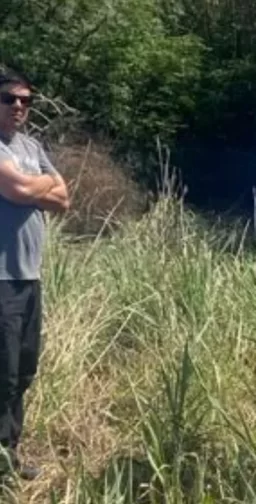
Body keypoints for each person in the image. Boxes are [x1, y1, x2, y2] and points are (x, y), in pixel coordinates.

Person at [0, 69, 69, 480]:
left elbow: (64, 199)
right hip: (1, 281)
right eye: (9, 99)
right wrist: (37, 186)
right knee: (3, 373)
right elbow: (22, 192)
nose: (19, 106)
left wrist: (31, 185)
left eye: (26, 100)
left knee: (24, 369)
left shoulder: (31, 146)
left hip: (30, 276)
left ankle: (8, 455)